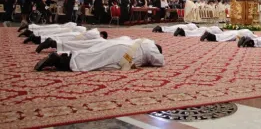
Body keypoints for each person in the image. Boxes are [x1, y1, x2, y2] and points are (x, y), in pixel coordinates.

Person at [34, 37, 164, 72]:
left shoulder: (143, 41)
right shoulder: (151, 46)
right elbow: (158, 61)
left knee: (92, 53)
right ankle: (59, 61)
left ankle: (63, 55)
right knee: (95, 62)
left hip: (120, 44)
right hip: (125, 55)